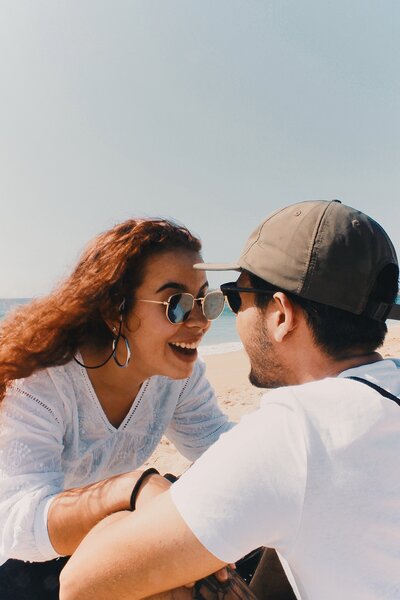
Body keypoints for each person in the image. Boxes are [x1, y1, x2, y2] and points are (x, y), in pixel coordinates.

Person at [59, 199, 400, 600]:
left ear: (280, 314)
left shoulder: (296, 432)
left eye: (235, 297)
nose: (205, 321)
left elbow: (81, 582)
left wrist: (134, 488)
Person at [0, 217, 234, 600]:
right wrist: (131, 487)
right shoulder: (42, 383)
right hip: (21, 565)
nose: (199, 322)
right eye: (176, 304)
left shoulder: (178, 375)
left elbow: (220, 448)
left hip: (104, 538)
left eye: (207, 302)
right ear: (115, 311)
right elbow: (15, 525)